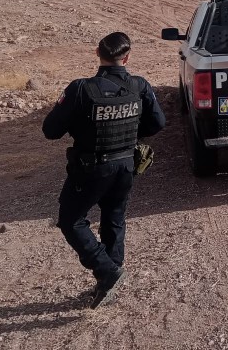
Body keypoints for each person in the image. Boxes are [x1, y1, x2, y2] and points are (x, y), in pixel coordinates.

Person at [43, 32, 165, 308]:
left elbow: (50, 131)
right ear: (127, 57)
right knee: (114, 219)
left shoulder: (80, 89)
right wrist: (131, 134)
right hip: (126, 164)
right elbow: (157, 124)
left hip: (91, 167)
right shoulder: (139, 86)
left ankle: (107, 271)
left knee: (70, 220)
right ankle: (109, 278)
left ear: (97, 53)